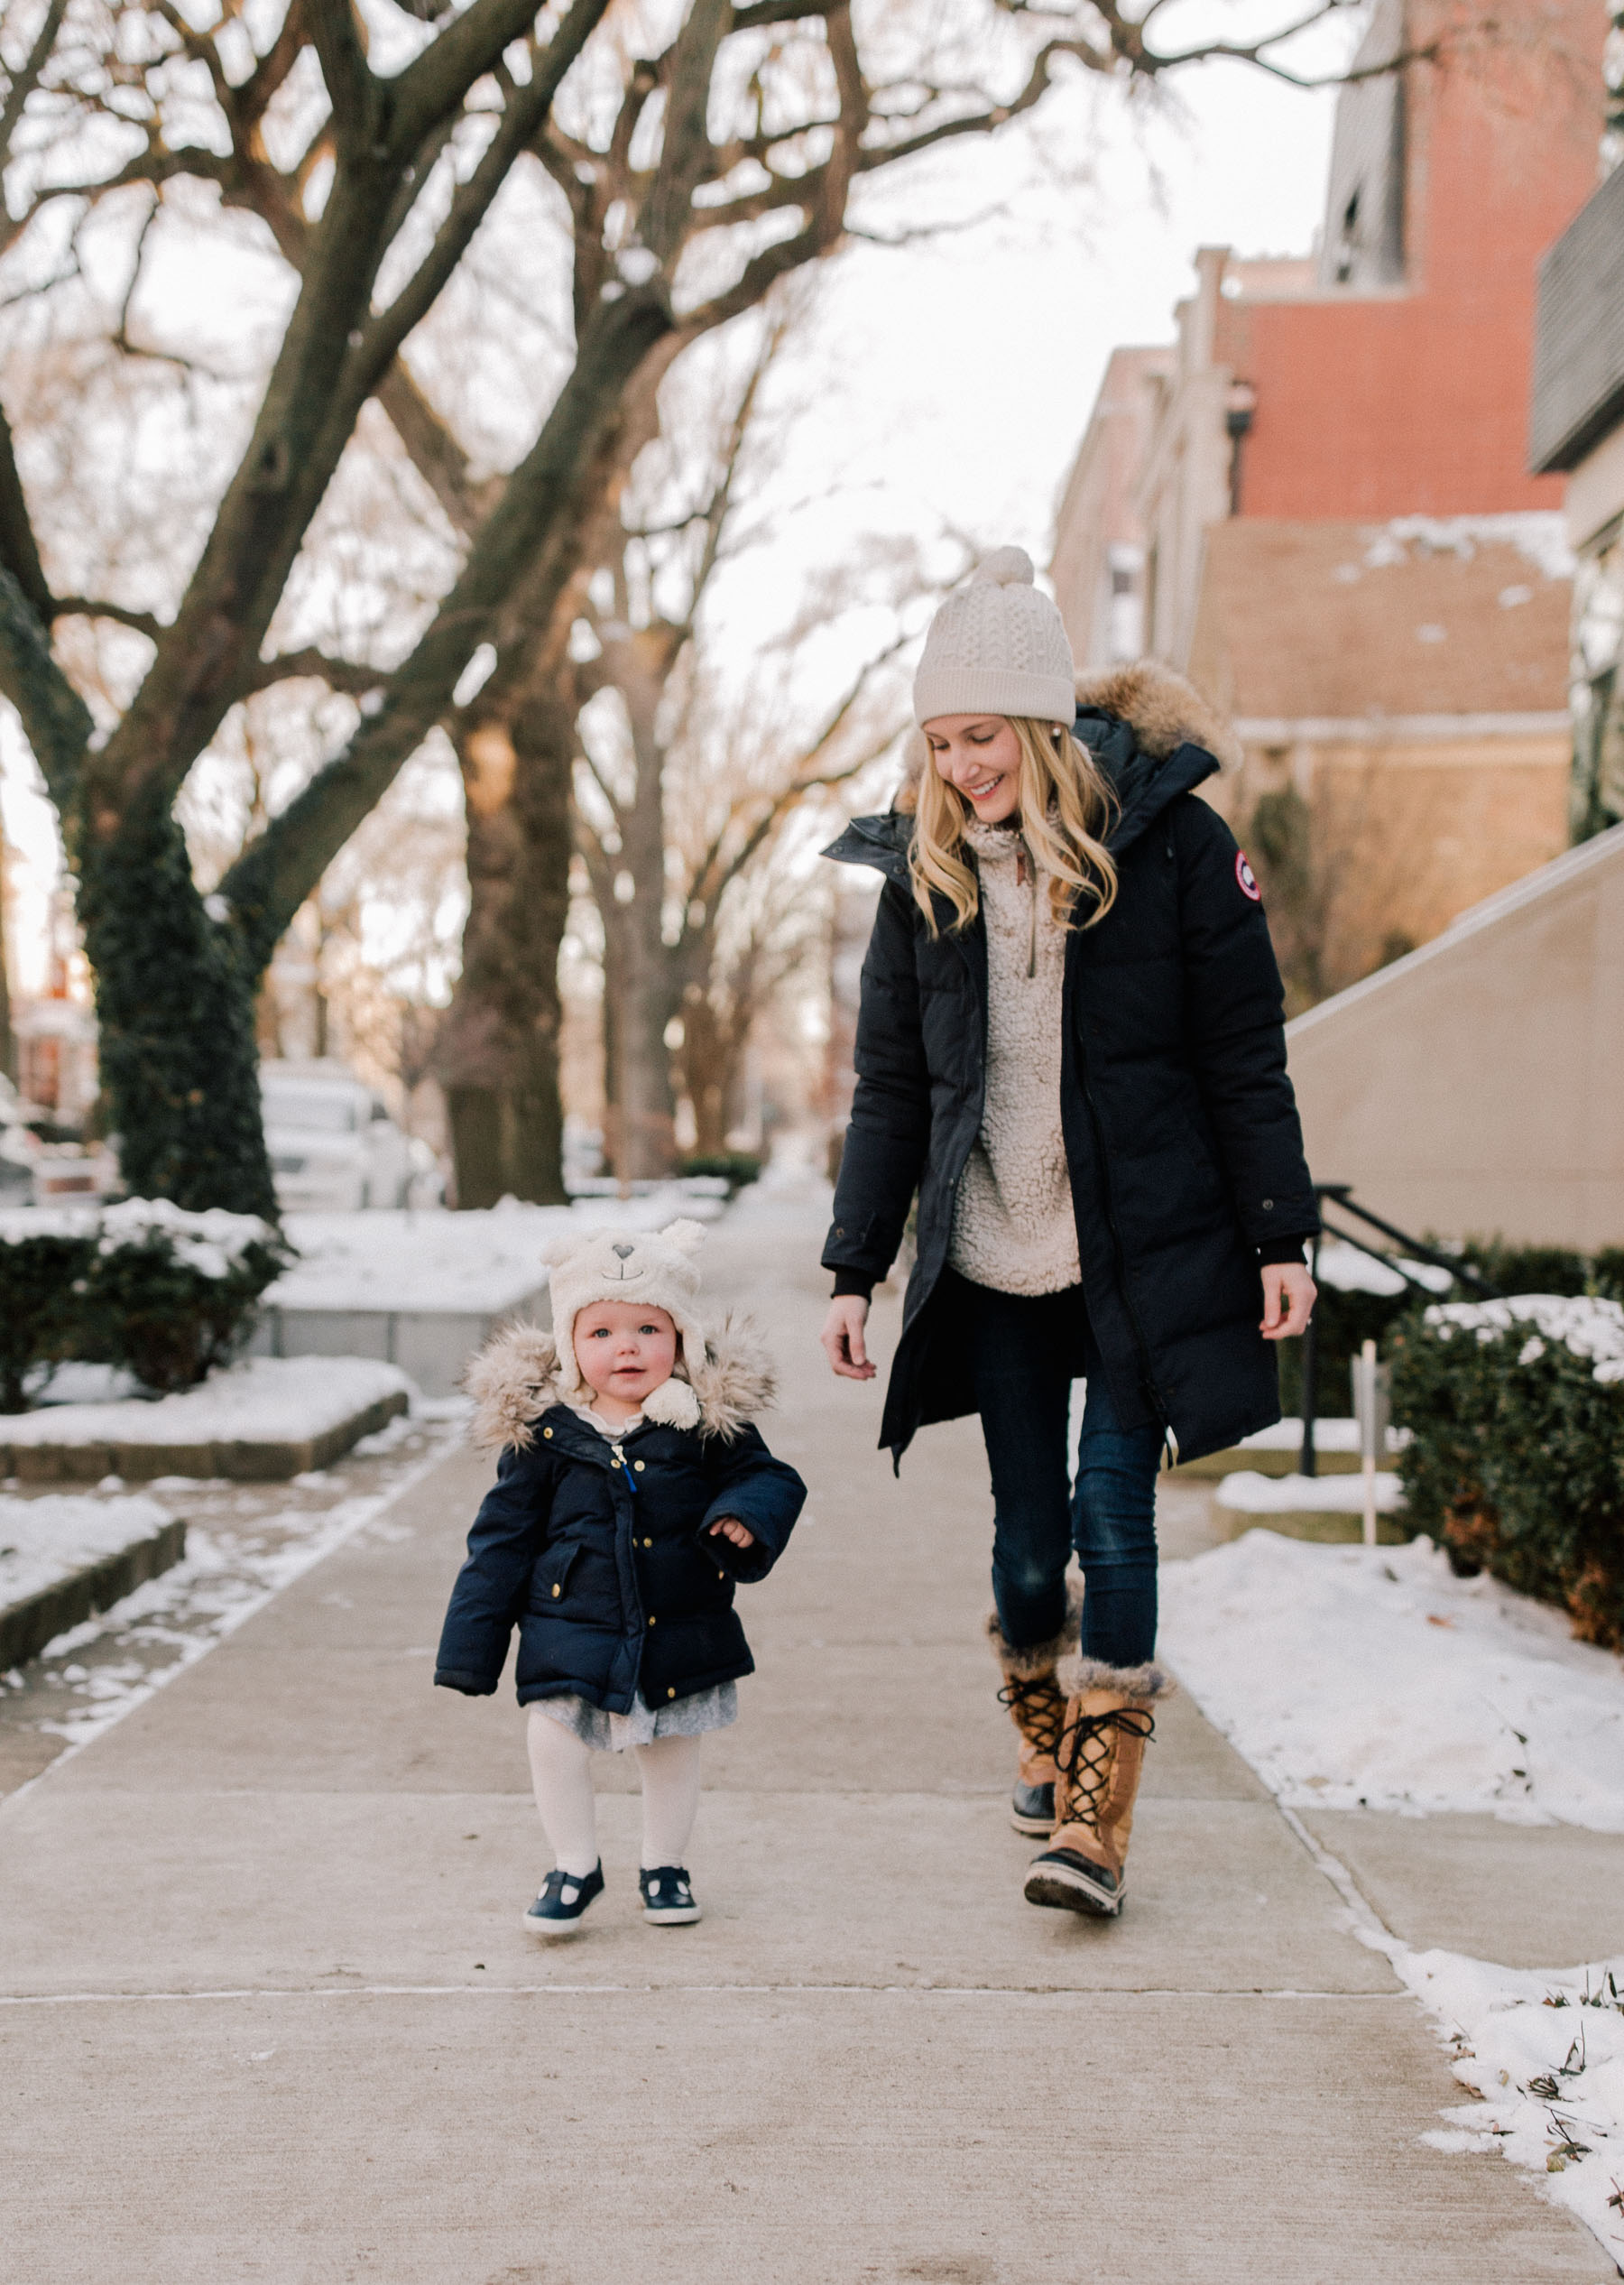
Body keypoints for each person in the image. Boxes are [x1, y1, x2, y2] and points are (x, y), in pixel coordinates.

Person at [818, 548, 1317, 1921]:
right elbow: (893, 1086)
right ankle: (1042, 1722)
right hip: (992, 1251)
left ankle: (1096, 1824)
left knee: (1117, 1516)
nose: (960, 766)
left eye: (980, 737)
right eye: (937, 741)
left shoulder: (1175, 845)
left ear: (1041, 727)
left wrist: (1282, 1233)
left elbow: (1243, 1055)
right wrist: (855, 1263)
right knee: (1030, 1543)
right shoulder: (922, 877)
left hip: (1136, 1250)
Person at [436, 1218, 805, 1936]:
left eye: (647, 1329)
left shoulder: (703, 1423)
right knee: (554, 1740)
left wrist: (742, 1512)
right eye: (600, 1332)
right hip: (570, 1627)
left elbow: (769, 1478)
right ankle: (574, 1864)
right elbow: (500, 1545)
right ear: (570, 1345)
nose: (626, 1347)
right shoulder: (548, 1436)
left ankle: (664, 1864)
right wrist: (469, 1648)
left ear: (682, 1340)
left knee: (670, 1749)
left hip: (679, 1624)